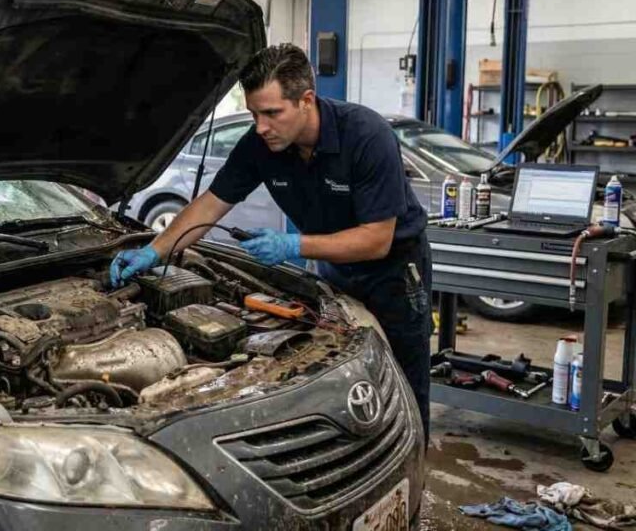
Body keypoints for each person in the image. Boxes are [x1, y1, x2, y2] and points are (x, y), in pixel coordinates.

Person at [109, 44, 433, 440]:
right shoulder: (259, 145)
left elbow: (376, 240)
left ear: (306, 101)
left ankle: (411, 461)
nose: (261, 126)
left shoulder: (366, 135)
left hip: (394, 274)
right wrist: (154, 250)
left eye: (272, 113)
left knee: (402, 384)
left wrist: (293, 246)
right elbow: (210, 205)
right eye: (253, 114)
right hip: (334, 270)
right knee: (339, 378)